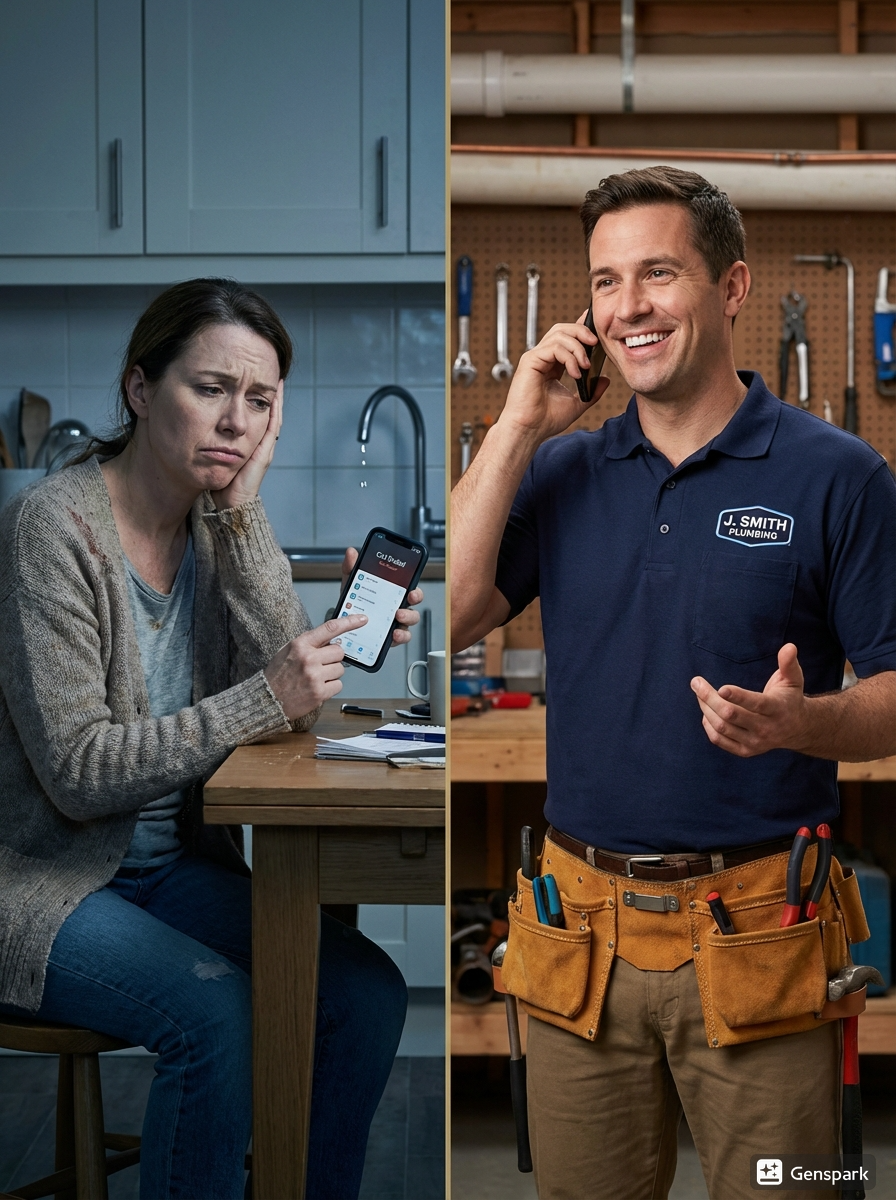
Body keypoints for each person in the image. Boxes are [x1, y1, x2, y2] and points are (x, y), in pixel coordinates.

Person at [451, 167, 895, 1199]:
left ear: (731, 288)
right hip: (577, 935)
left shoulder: (837, 477)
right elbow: (461, 607)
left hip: (762, 937)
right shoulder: (562, 470)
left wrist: (803, 722)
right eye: (605, 282)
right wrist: (518, 423)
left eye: (658, 273)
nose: (626, 307)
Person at [0, 278, 421, 1200]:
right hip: (42, 883)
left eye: (260, 401)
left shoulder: (213, 524)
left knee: (363, 996)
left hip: (167, 874)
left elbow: (295, 706)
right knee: (218, 1012)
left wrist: (240, 513)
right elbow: (77, 773)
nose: (237, 420)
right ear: (140, 389)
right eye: (211, 389)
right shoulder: (50, 530)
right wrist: (266, 694)